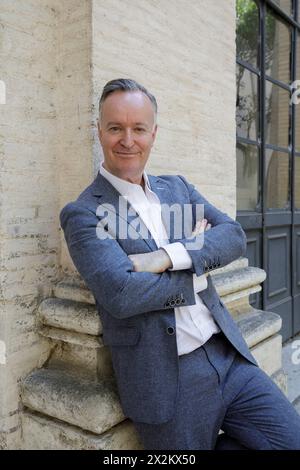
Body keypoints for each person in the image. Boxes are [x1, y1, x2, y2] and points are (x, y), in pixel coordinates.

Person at [60, 78, 300, 450]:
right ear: (99, 131)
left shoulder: (178, 189)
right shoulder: (84, 213)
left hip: (229, 358)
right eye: (115, 128)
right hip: (167, 383)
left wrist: (167, 257)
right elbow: (122, 292)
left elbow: (233, 236)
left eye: (139, 128)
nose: (128, 140)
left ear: (153, 133)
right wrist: (198, 268)